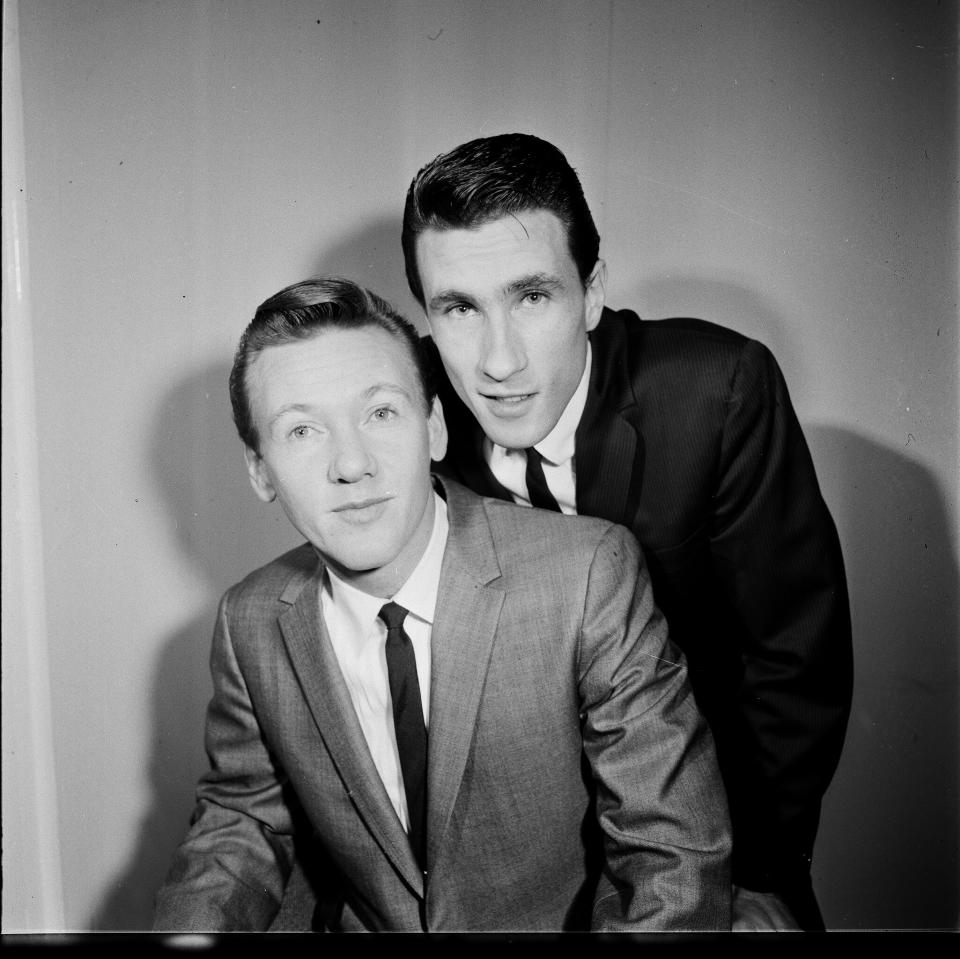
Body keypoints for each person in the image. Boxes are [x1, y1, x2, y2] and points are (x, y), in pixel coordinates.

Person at [152, 276, 731, 933]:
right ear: (260, 469)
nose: (351, 464)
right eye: (303, 430)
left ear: (432, 427)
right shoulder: (250, 621)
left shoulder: (587, 573)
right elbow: (244, 816)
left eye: (380, 413)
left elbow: (671, 855)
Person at [401, 133, 853, 932]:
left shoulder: (715, 390)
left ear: (593, 290)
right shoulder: (414, 415)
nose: (498, 361)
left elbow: (794, 658)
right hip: (520, 865)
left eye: (532, 296)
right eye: (459, 308)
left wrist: (757, 878)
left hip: (717, 829)